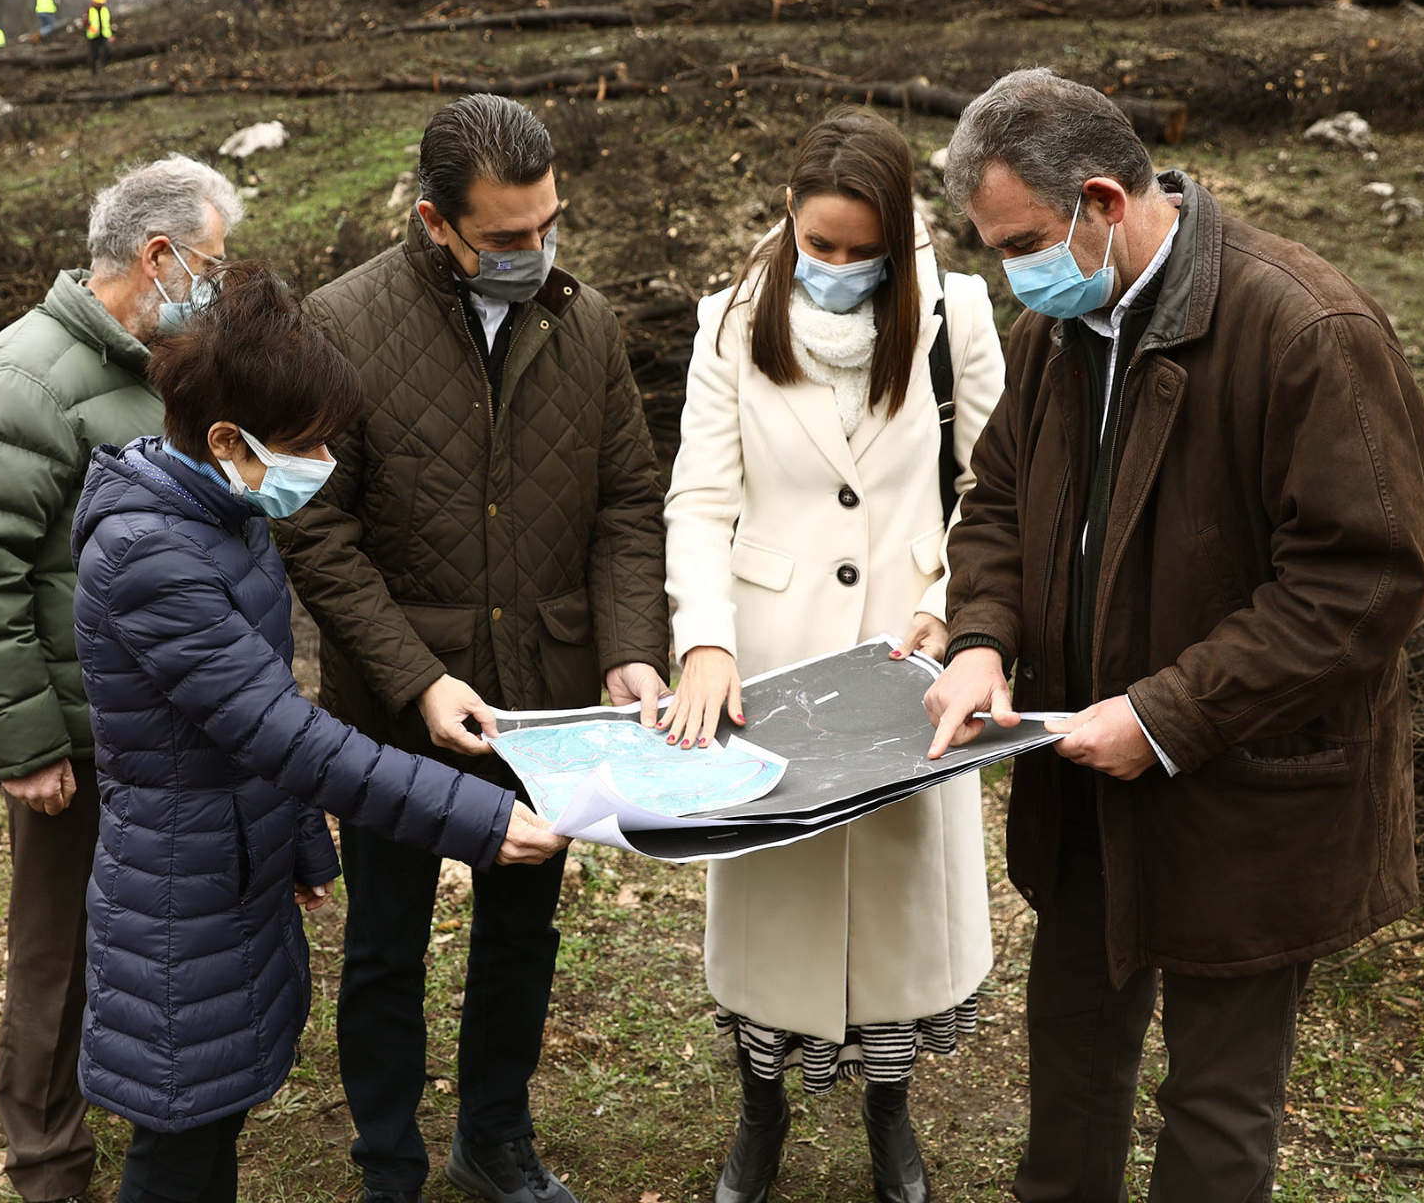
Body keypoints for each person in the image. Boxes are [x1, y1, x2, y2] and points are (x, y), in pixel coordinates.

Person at [926, 68, 1424, 1203]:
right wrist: (979, 638)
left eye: (1018, 242)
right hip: (1078, 782)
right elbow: (1001, 499)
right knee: (1070, 1067)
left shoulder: (1307, 329)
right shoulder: (1057, 330)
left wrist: (1163, 716)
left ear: (1102, 202)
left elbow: (1362, 583)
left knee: (1214, 1101)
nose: (1011, 270)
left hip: (1247, 792)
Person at [71, 261, 567, 1203]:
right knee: (179, 1137)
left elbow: (244, 710)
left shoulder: (220, 511)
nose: (323, 467)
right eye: (305, 447)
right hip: (176, 895)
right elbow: (288, 732)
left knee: (210, 1115)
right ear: (227, 437)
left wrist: (295, 837)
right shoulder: (151, 557)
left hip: (229, 864)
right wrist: (482, 822)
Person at [277, 92, 669, 1203]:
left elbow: (627, 503)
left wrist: (634, 645)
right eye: (506, 238)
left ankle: (494, 1135)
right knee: (387, 943)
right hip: (398, 712)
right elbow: (317, 530)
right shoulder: (342, 324)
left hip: (544, 703)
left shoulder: (581, 320)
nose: (535, 252)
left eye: (549, 224)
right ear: (434, 221)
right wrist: (415, 676)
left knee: (519, 935)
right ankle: (388, 1162)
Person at [662, 109, 1002, 1203]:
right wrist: (705, 639)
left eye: (866, 252)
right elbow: (700, 501)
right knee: (776, 904)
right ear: (790, 224)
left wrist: (956, 608)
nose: (841, 268)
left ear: (900, 235)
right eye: (821, 247)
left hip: (912, 663)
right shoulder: (730, 321)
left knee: (898, 909)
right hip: (773, 667)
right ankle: (757, 1111)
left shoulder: (957, 316)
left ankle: (887, 1109)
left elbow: (988, 488)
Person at [0, 154, 244, 1203]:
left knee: (139, 932)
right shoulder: (28, 375)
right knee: (56, 953)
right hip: (76, 737)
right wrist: (24, 748)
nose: (220, 279)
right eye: (212, 260)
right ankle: (49, 1159)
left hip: (155, 730)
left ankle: (127, 1106)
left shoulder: (160, 362)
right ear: (158, 257)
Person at [85, 0, 113, 73]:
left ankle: (103, 66)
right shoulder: (89, 11)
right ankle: (93, 72)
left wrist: (112, 34)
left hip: (104, 34)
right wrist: (92, 29)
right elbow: (85, 23)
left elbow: (110, 22)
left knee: (107, 50)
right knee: (93, 54)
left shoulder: (105, 10)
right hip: (93, 36)